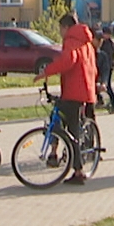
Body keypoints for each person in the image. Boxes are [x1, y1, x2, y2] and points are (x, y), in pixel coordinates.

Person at [37, 13, 99, 185]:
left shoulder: (71, 40)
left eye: (60, 29)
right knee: (72, 130)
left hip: (73, 93)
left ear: (65, 27)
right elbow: (93, 68)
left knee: (63, 127)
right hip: (84, 92)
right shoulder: (87, 42)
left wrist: (46, 71)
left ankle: (72, 167)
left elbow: (67, 61)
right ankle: (72, 165)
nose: (60, 32)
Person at [95, 24, 114, 113]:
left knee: (107, 86)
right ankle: (100, 100)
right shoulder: (105, 42)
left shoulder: (109, 44)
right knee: (97, 84)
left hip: (108, 67)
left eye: (105, 34)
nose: (103, 35)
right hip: (104, 67)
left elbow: (107, 58)